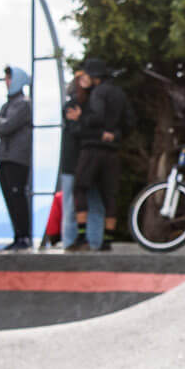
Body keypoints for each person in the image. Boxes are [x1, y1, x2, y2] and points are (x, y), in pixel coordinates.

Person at [74, 58, 127, 251]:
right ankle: (107, 239)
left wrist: (82, 119)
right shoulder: (119, 93)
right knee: (110, 196)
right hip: (112, 150)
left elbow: (96, 116)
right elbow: (129, 121)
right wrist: (115, 135)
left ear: (94, 75)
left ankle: (82, 237)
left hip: (92, 149)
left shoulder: (97, 92)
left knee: (79, 188)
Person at [0, 66, 35, 250]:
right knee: (10, 198)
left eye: (9, 78)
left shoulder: (24, 104)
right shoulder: (8, 105)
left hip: (17, 158)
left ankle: (24, 236)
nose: (6, 81)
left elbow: (3, 126)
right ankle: (18, 235)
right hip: (5, 157)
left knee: (18, 197)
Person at [56, 66, 93, 249]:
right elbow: (75, 129)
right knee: (70, 204)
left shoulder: (89, 107)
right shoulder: (71, 106)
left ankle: (85, 239)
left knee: (83, 202)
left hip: (85, 161)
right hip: (72, 162)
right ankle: (70, 240)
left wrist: (81, 120)